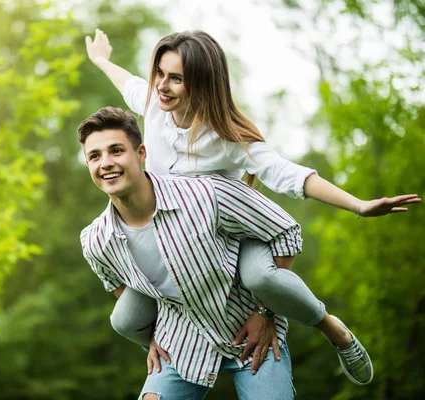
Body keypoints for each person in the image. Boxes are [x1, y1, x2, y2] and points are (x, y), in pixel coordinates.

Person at [84, 29, 421, 386]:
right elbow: (129, 83)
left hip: (236, 234)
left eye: (176, 79)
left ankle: (331, 326)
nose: (163, 86)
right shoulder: (154, 106)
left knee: (260, 277)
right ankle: (169, 351)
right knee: (124, 319)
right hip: (182, 240)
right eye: (160, 74)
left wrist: (358, 205)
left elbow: (291, 176)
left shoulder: (226, 138)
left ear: (200, 84)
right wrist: (102, 60)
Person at [79, 106, 301, 399]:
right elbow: (119, 285)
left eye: (116, 151)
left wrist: (265, 311)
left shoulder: (204, 194)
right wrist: (153, 338)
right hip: (180, 346)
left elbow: (284, 230)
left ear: (141, 153)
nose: (106, 163)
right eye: (95, 156)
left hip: (252, 336)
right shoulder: (96, 241)